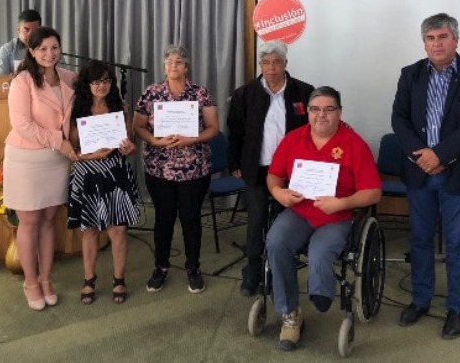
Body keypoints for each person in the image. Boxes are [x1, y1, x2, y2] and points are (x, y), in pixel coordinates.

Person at [391, 13, 460, 339]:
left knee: (458, 244)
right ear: (424, 43)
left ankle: (457, 308)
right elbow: (399, 119)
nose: (436, 43)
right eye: (430, 38)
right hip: (420, 172)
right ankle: (420, 300)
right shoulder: (410, 75)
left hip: (458, 173)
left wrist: (441, 155)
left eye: (442, 37)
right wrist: (424, 157)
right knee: (420, 240)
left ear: (456, 40)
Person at [266, 87, 382, 351]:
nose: (322, 115)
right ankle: (290, 313)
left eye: (329, 109)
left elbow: (374, 192)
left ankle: (320, 293)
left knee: (321, 251)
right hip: (299, 211)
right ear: (307, 113)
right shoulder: (293, 139)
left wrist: (342, 202)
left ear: (339, 113)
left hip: (337, 216)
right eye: (315, 109)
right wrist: (278, 192)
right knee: (275, 242)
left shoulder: (354, 144)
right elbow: (273, 174)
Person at [227, 40, 315, 297]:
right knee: (255, 224)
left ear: (285, 64)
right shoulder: (246, 94)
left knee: (281, 226)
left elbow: (313, 133)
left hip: (290, 174)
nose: (271, 68)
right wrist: (235, 163)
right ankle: (252, 274)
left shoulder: (304, 92)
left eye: (277, 62)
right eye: (266, 63)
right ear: (260, 65)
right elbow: (235, 131)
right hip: (257, 171)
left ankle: (278, 274)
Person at [133, 45, 219, 294]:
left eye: (179, 62)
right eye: (169, 62)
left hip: (194, 167)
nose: (174, 66)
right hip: (159, 169)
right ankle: (160, 266)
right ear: (164, 67)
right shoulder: (151, 93)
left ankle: (193, 267)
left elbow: (213, 127)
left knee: (191, 218)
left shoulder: (200, 93)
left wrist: (192, 139)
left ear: (186, 67)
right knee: (163, 218)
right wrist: (154, 141)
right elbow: (138, 126)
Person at [4, 26, 78, 311]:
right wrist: (58, 142)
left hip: (55, 161)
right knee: (30, 223)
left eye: (55, 48)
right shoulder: (22, 81)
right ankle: (31, 282)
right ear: (32, 52)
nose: (50, 54)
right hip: (27, 159)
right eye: (43, 49)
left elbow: (96, 85)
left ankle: (47, 279)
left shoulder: (68, 78)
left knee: (49, 221)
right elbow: (22, 124)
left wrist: (113, 103)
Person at [68, 59, 140, 305]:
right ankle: (89, 280)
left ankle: (119, 279)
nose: (102, 86)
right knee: (89, 230)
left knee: (118, 230)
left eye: (107, 80)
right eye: (97, 81)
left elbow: (129, 145)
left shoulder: (120, 106)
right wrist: (90, 148)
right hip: (88, 172)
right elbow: (72, 145)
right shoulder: (77, 108)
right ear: (86, 84)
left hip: (115, 173)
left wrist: (130, 148)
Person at [0, 9, 42, 76]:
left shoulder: (50, 48)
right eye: (26, 30)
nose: (31, 35)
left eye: (35, 31)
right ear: (18, 30)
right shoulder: (7, 50)